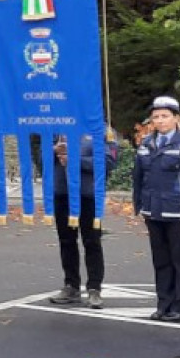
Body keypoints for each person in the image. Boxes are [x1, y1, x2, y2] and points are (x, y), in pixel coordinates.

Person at [133, 96, 180, 322]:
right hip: (154, 210)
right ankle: (163, 304)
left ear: (176, 118)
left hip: (179, 211)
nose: (160, 120)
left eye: (165, 116)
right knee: (161, 261)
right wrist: (139, 205)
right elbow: (138, 176)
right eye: (155, 117)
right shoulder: (147, 143)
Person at [45, 130, 120, 310]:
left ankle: (94, 288)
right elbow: (41, 160)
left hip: (88, 194)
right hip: (63, 193)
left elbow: (108, 162)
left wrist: (75, 160)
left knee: (92, 241)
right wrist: (54, 151)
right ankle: (71, 285)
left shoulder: (101, 129)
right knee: (66, 241)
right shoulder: (57, 127)